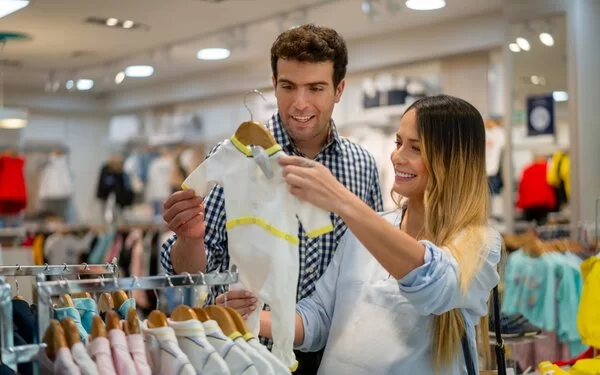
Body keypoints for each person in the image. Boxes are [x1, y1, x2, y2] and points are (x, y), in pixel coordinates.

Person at [160, 24, 384, 373]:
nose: (299, 103)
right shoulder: (233, 156)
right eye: (288, 86)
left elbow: (368, 267)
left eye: (316, 88)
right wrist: (191, 239)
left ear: (339, 89)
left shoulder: (362, 167)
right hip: (248, 354)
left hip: (338, 358)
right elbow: (192, 274)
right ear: (274, 84)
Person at [225, 95, 502, 374]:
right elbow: (320, 317)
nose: (397, 156)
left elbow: (431, 283)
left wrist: (343, 201)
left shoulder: (480, 243)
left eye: (415, 148)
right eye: (398, 143)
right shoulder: (364, 232)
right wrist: (248, 319)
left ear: (451, 160)